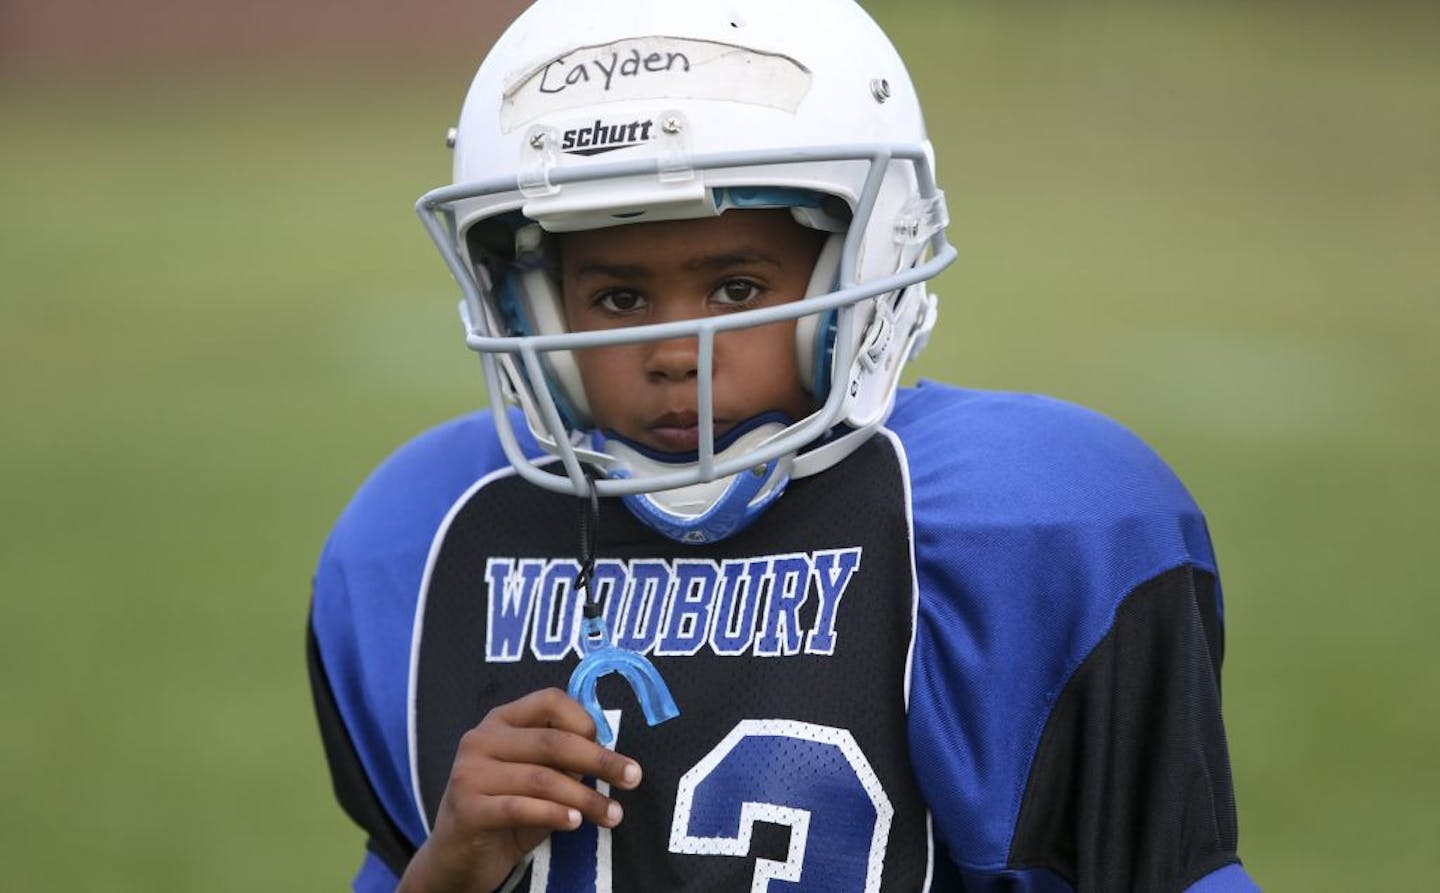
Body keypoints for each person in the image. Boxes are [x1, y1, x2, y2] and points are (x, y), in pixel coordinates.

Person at [306, 0, 1260, 890]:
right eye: (618, 298)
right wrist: (450, 863)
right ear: (525, 303)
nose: (676, 351)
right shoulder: (423, 540)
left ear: (865, 252)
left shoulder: (1023, 524)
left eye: (735, 289)